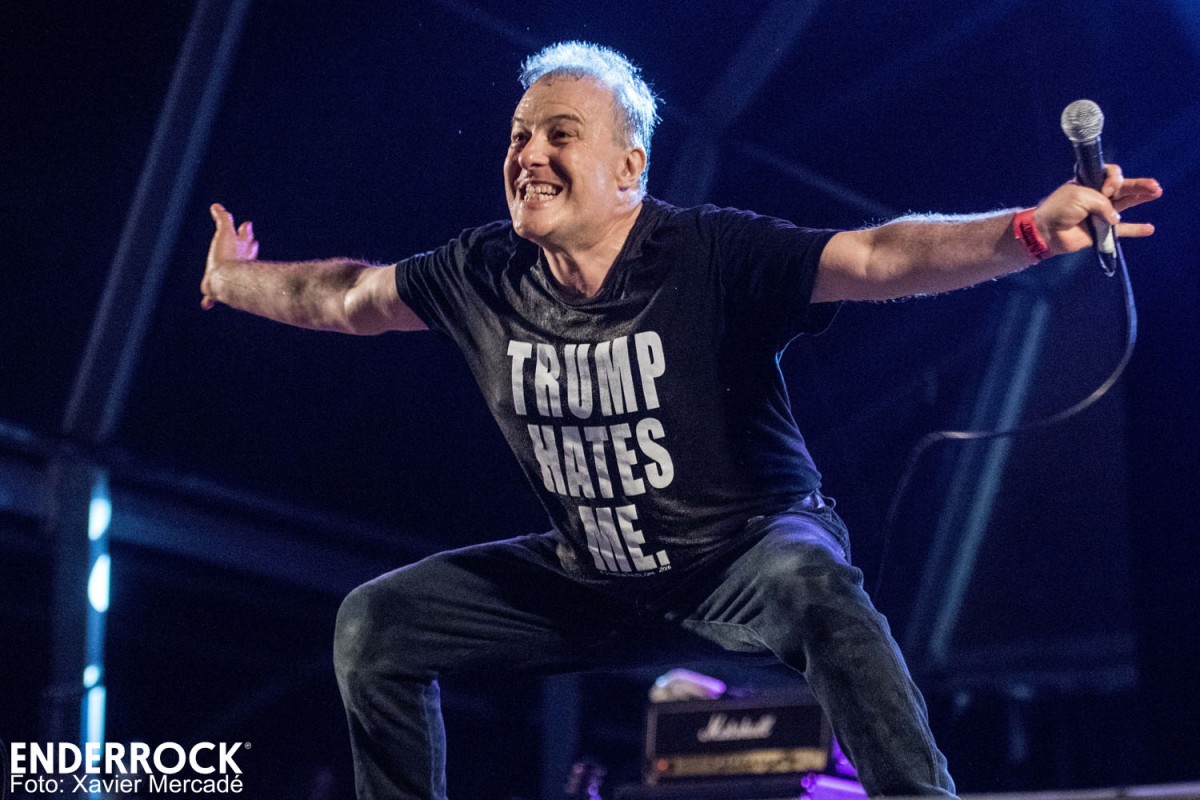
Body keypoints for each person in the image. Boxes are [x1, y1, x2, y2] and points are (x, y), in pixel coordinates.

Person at [201, 41, 1161, 800]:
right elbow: (350, 297)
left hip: (745, 553)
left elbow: (876, 258)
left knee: (810, 584)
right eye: (519, 136)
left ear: (629, 167)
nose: (528, 155)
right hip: (593, 575)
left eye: (560, 135)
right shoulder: (482, 273)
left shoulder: (708, 253)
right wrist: (232, 279)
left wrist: (1028, 232)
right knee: (377, 624)